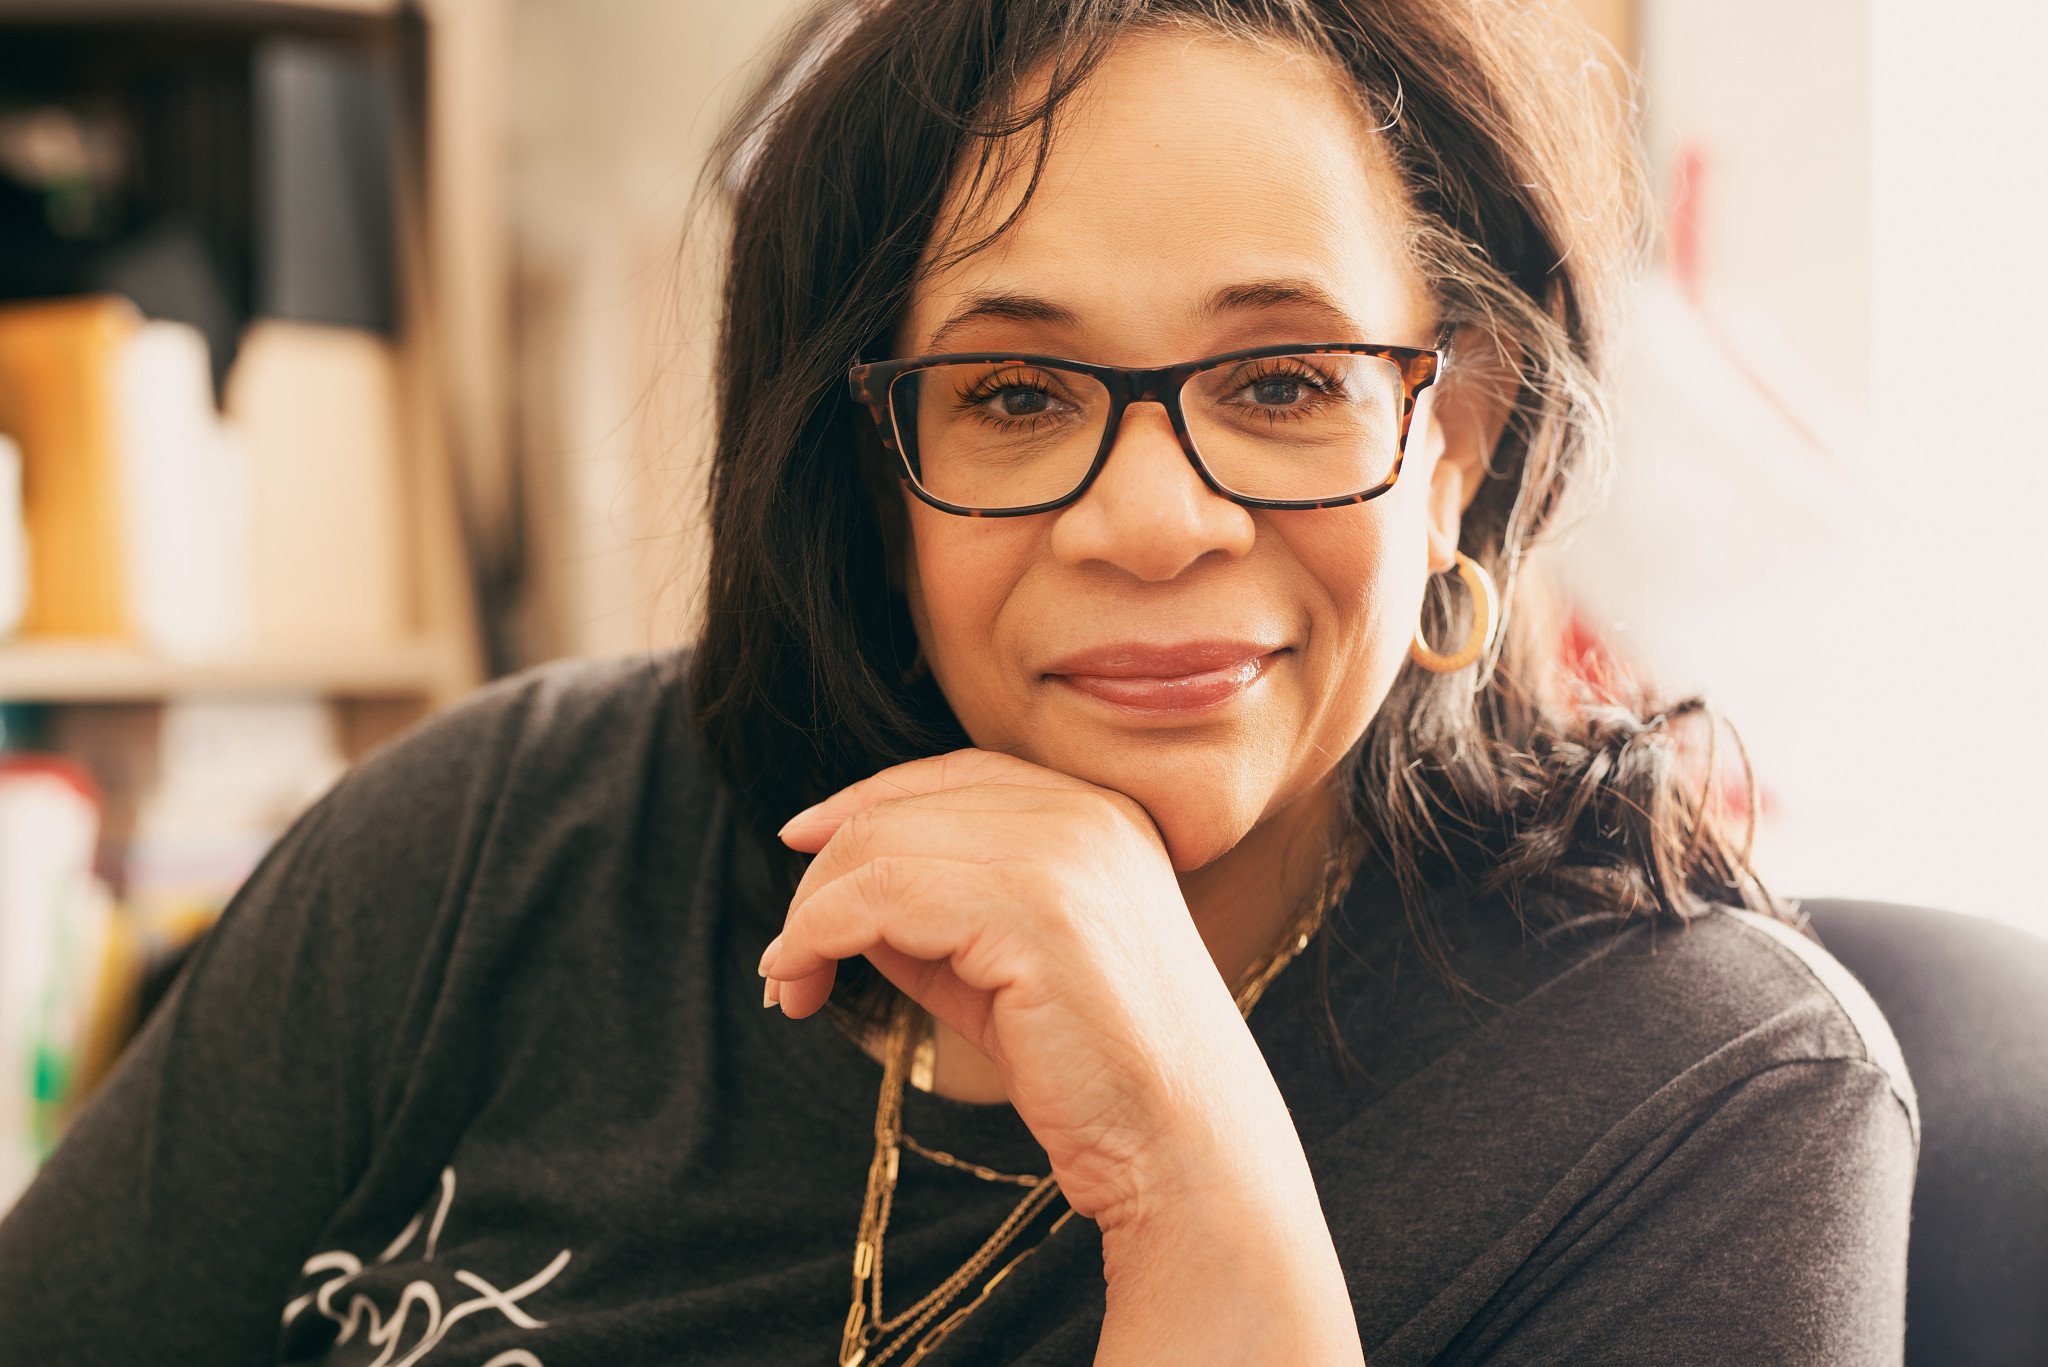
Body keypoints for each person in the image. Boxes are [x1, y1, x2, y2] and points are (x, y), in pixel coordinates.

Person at [0, 1, 1916, 1363]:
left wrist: (1193, 1176)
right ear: (864, 467)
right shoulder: (500, 842)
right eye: (1012, 394)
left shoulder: (1713, 1102)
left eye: (1281, 381)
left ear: (1457, 439)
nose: (1156, 520)